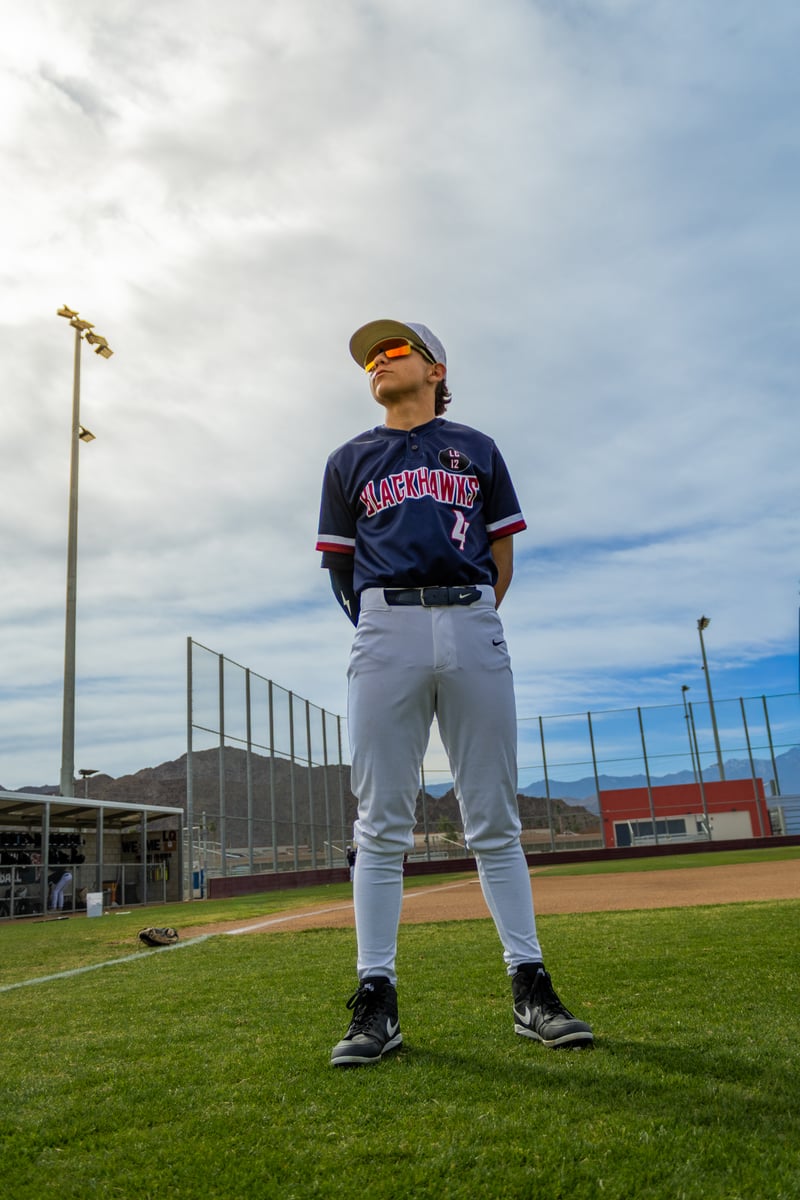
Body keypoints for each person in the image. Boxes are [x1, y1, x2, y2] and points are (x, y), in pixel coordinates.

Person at [316, 319, 594, 1067]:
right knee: (379, 823)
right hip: (385, 626)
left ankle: (529, 986)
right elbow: (341, 568)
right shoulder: (348, 459)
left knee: (493, 818)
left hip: (472, 619)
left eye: (394, 348)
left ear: (437, 368)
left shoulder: (478, 448)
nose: (378, 360)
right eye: (370, 356)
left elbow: (501, 554)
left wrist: (467, 617)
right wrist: (388, 623)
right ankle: (377, 999)